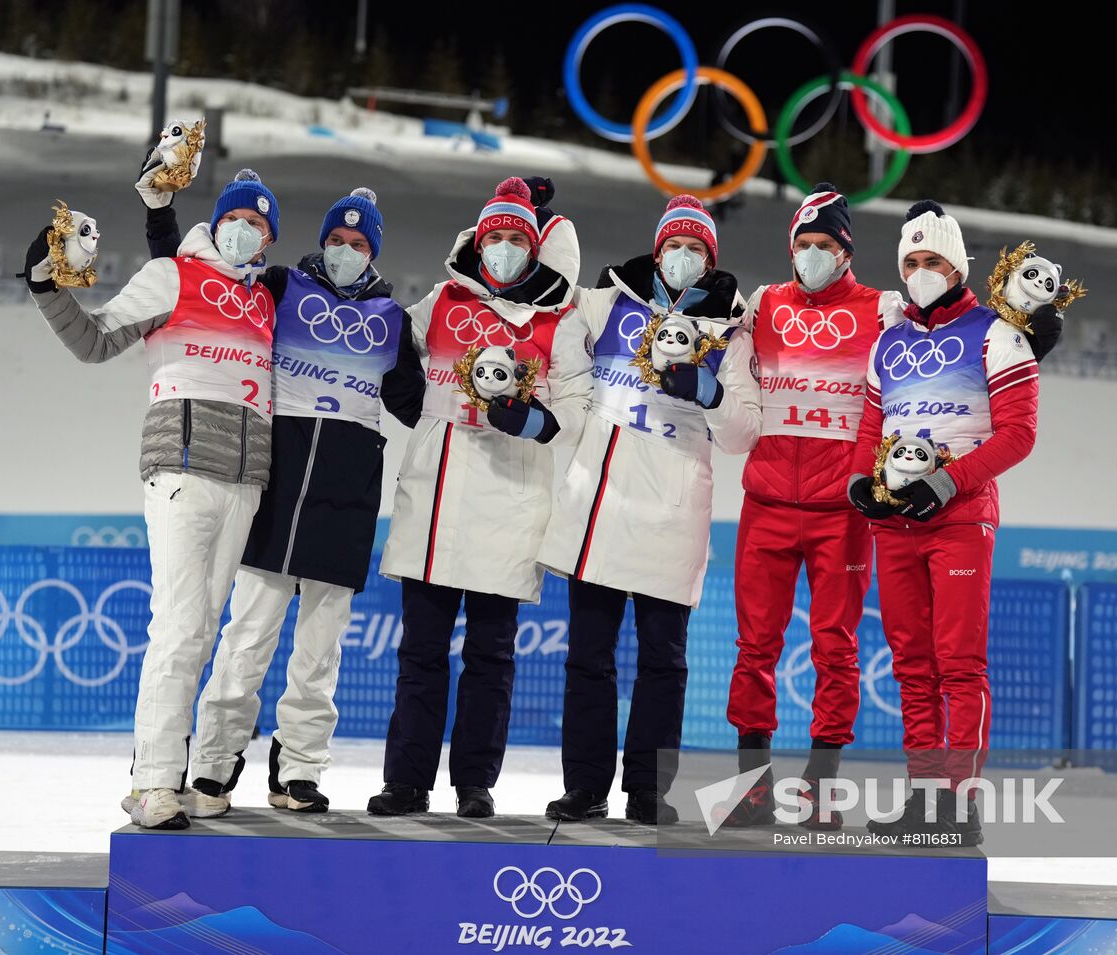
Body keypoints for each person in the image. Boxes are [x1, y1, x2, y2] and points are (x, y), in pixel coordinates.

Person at [137, 162, 424, 815]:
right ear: (320, 241)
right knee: (247, 635)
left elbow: (416, 406)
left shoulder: (389, 319)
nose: (346, 251)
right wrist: (161, 220)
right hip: (275, 485)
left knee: (321, 651)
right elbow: (198, 282)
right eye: (337, 240)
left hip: (348, 499)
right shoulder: (278, 286)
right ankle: (212, 763)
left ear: (373, 251)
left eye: (359, 244)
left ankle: (298, 766)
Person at [21, 169, 281, 829]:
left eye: (259, 226)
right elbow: (95, 338)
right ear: (216, 222)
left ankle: (169, 773)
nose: (246, 232)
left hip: (245, 483)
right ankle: (153, 782)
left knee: (200, 634)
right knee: (179, 627)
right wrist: (45, 282)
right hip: (184, 468)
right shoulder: (174, 275)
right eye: (237, 220)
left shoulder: (265, 301)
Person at [368, 177, 590, 819]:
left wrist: (539, 424)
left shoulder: (558, 316)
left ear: (533, 246)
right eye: (493, 237)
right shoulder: (442, 300)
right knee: (421, 653)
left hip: (511, 498)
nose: (502, 249)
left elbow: (576, 408)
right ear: (477, 240)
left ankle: (473, 783)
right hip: (436, 496)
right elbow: (389, 354)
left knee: (491, 657)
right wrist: (409, 400)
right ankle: (407, 782)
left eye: (515, 238)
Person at [538, 195, 762, 825]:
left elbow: (745, 431)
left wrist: (709, 391)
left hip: (670, 510)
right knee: (589, 658)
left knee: (663, 663)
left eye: (696, 249)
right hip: (598, 506)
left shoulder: (731, 330)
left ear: (710, 260)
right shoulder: (608, 301)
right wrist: (542, 223)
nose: (682, 257)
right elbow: (545, 312)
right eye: (674, 245)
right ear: (656, 249)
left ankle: (647, 791)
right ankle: (585, 787)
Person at [847, 200, 1041, 846]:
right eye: (912, 261)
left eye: (933, 260)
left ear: (956, 265)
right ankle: (926, 799)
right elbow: (870, 430)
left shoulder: (995, 333)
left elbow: (1019, 435)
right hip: (896, 528)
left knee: (958, 663)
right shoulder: (889, 342)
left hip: (959, 519)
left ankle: (959, 804)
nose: (921, 270)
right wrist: (861, 481)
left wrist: (949, 481)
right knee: (911, 664)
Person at [722, 183, 903, 829]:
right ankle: (751, 783)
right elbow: (708, 336)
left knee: (836, 645)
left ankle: (822, 783)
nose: (814, 255)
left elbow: (942, 346)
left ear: (847, 251)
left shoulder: (882, 309)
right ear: (790, 247)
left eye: (826, 245)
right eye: (805, 244)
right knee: (755, 646)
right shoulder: (764, 303)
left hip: (842, 510)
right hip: (767, 501)